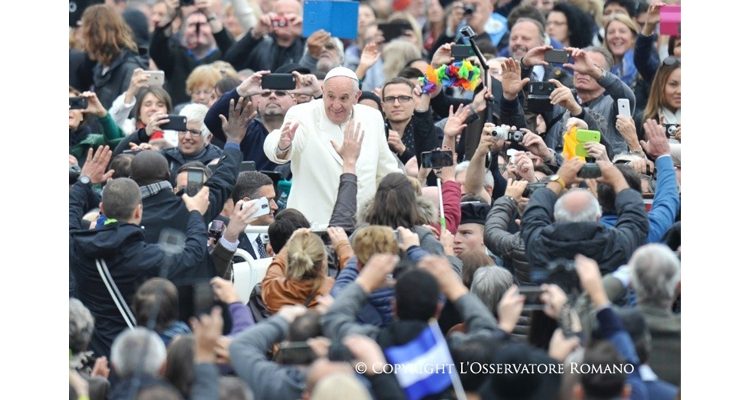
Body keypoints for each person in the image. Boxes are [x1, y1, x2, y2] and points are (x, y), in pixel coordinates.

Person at [69, 147, 210, 357]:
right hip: (131, 352)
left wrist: (84, 181)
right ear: (138, 211)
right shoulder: (144, 256)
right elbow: (193, 253)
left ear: (102, 209)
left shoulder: (76, 245)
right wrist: (196, 213)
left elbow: (70, 213)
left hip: (91, 351)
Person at [263, 67, 400, 225]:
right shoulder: (302, 114)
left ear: (357, 97)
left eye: (343, 98)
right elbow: (279, 148)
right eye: (330, 97)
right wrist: (282, 145)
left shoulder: (372, 117)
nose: (336, 105)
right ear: (323, 92)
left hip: (361, 227)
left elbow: (386, 171)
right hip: (313, 226)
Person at [520, 158, 648, 274]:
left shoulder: (539, 244)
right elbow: (635, 217)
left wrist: (559, 180)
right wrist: (618, 180)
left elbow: (534, 213)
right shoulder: (616, 245)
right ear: (598, 217)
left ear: (555, 217)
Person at [205, 69, 300, 170]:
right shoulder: (244, 130)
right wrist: (241, 91)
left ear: (294, 101)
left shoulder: (303, 130)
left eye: (280, 93)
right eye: (265, 94)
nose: (272, 96)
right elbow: (211, 120)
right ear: (258, 102)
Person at [150, 0, 235, 104]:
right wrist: (169, 16)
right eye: (191, 25)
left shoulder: (221, 56)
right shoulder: (175, 57)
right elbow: (156, 48)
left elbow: (232, 50)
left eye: (204, 24)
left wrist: (209, 14)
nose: (197, 29)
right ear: (183, 30)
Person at [115, 103, 225, 178]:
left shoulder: (221, 161)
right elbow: (116, 156)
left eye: (194, 132)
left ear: (208, 137)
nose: (187, 136)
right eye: (182, 131)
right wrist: (143, 136)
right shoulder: (165, 157)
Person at [79, 4, 148, 109]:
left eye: (83, 28)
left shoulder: (130, 70)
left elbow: (133, 113)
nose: (80, 35)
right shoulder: (100, 67)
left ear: (95, 34)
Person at [222, 0, 305, 72]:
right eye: (280, 14)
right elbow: (230, 63)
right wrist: (255, 33)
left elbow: (310, 65)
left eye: (290, 15)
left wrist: (304, 33)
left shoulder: (306, 46)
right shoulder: (262, 44)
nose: (284, 19)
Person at [69, 89, 125, 165]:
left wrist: (102, 113)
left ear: (82, 116)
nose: (69, 110)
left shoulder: (92, 143)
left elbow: (117, 142)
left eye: (73, 104)